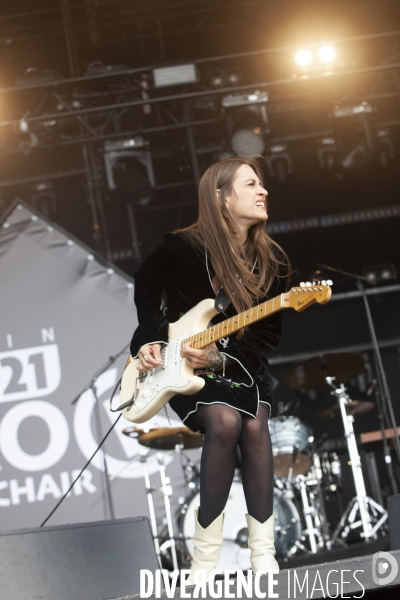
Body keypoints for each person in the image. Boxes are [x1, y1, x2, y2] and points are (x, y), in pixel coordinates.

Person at [130, 156, 290, 581]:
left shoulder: (269, 261)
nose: (263, 191)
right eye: (251, 183)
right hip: (181, 366)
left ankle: (263, 557)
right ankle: (203, 562)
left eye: (262, 184)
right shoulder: (183, 247)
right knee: (224, 423)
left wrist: (222, 357)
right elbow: (145, 284)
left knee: (254, 425)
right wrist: (150, 339)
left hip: (240, 368)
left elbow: (267, 336)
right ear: (222, 197)